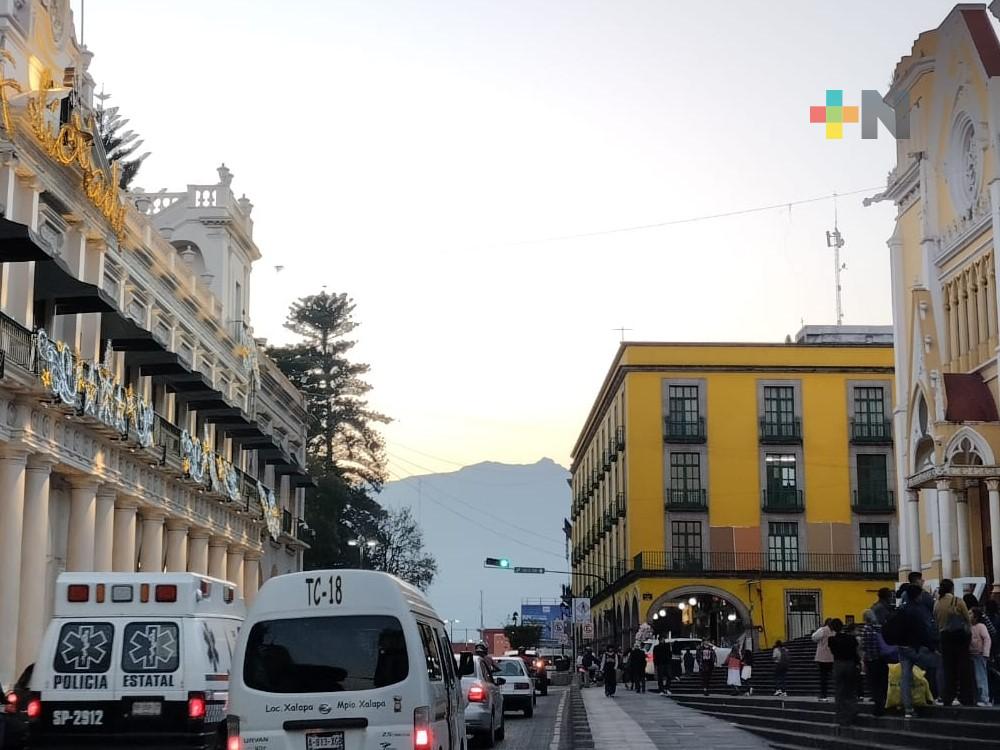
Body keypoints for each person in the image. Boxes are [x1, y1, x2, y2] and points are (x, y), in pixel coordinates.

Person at [934, 578, 974, 706]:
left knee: (948, 668)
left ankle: (948, 696)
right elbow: (968, 620)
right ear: (952, 588)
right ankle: (965, 697)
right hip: (959, 638)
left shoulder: (937, 603)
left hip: (944, 638)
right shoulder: (958, 601)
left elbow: (935, 620)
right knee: (963, 668)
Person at [861, 608, 894, 716]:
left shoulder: (866, 629)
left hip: (871, 660)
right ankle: (885, 704)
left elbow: (863, 647)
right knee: (883, 684)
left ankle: (878, 708)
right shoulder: (878, 628)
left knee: (874, 685)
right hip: (882, 659)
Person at [828, 618, 858, 727]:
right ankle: (853, 714)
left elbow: (833, 651)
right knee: (851, 690)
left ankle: (842, 718)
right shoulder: (851, 638)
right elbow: (855, 653)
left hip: (839, 664)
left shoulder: (831, 640)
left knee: (840, 691)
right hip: (850, 664)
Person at [971, 607, 993, 706]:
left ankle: (984, 698)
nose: (969, 615)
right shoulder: (969, 626)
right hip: (972, 654)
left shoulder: (981, 626)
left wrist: (986, 653)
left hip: (979, 655)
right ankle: (978, 698)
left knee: (981, 677)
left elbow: (987, 639)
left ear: (976, 617)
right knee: (976, 677)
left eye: (971, 613)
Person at [812, 619, 834, 701]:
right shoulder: (834, 631)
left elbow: (814, 637)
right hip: (831, 657)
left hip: (822, 657)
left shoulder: (823, 630)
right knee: (833, 676)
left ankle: (823, 695)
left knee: (823, 677)